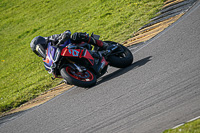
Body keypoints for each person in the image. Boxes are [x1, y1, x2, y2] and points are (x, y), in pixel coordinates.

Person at [30, 30, 110, 59]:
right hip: (67, 57)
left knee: (76, 36)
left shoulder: (51, 39)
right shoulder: (48, 58)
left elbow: (66, 32)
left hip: (74, 46)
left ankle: (102, 44)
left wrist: (62, 38)